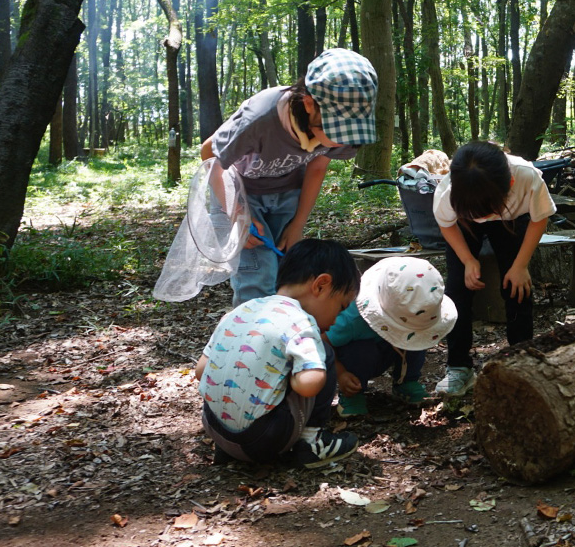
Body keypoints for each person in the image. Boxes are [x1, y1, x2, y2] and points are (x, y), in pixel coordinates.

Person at [200, 48, 378, 306]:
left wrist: (298, 224)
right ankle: (251, 330)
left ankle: (283, 327)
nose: (343, 141)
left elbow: (317, 168)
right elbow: (210, 155)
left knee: (288, 271)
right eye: (337, 130)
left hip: (287, 191)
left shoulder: (336, 133)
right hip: (239, 193)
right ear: (309, 104)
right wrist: (238, 215)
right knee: (258, 276)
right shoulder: (261, 118)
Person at [195, 239, 361, 469]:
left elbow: (200, 371)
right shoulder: (301, 322)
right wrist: (287, 374)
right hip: (263, 439)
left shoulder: (241, 311)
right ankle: (312, 443)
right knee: (324, 354)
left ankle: (227, 450)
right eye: (341, 307)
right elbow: (309, 385)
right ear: (321, 285)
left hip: (216, 430)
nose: (337, 319)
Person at [432, 141, 557, 397]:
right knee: (457, 288)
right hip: (465, 224)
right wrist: (468, 260)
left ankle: (521, 360)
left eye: (489, 212)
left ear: (510, 184)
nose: (486, 218)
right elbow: (446, 224)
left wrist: (520, 266)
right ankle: (458, 366)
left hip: (513, 219)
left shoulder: (526, 177)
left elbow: (540, 217)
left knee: (517, 287)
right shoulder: (451, 190)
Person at [323, 257, 457, 417]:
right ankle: (353, 394)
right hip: (358, 356)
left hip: (392, 348)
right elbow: (322, 341)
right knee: (362, 350)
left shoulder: (417, 308)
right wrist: (341, 373)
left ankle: (406, 381)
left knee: (416, 334)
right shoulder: (353, 319)